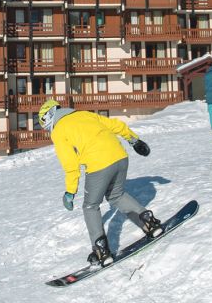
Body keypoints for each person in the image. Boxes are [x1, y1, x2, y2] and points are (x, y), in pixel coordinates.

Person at [38, 98, 161, 267]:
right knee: (116, 195)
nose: (47, 131)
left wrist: (70, 192)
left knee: (90, 206)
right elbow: (116, 125)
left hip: (99, 164)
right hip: (120, 157)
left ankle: (100, 250)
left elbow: (71, 165)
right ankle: (149, 221)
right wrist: (134, 141)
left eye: (46, 126)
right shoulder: (85, 114)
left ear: (49, 118)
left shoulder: (58, 130)